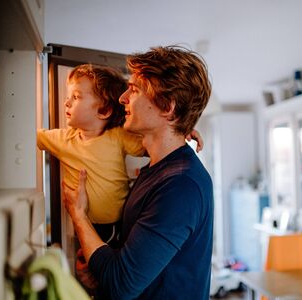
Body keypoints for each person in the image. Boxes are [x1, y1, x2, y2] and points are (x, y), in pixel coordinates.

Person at [62, 46, 214, 299]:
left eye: (134, 90)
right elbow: (134, 265)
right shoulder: (157, 169)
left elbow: (122, 284)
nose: (122, 98)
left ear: (167, 107)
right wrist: (98, 272)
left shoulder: (181, 185)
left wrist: (78, 216)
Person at [38, 64, 203, 244]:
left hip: (119, 223)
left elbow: (159, 143)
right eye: (68, 96)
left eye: (76, 97)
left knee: (107, 266)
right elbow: (28, 137)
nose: (66, 102)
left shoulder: (118, 137)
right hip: (86, 225)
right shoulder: (62, 140)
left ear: (104, 110)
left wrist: (182, 131)